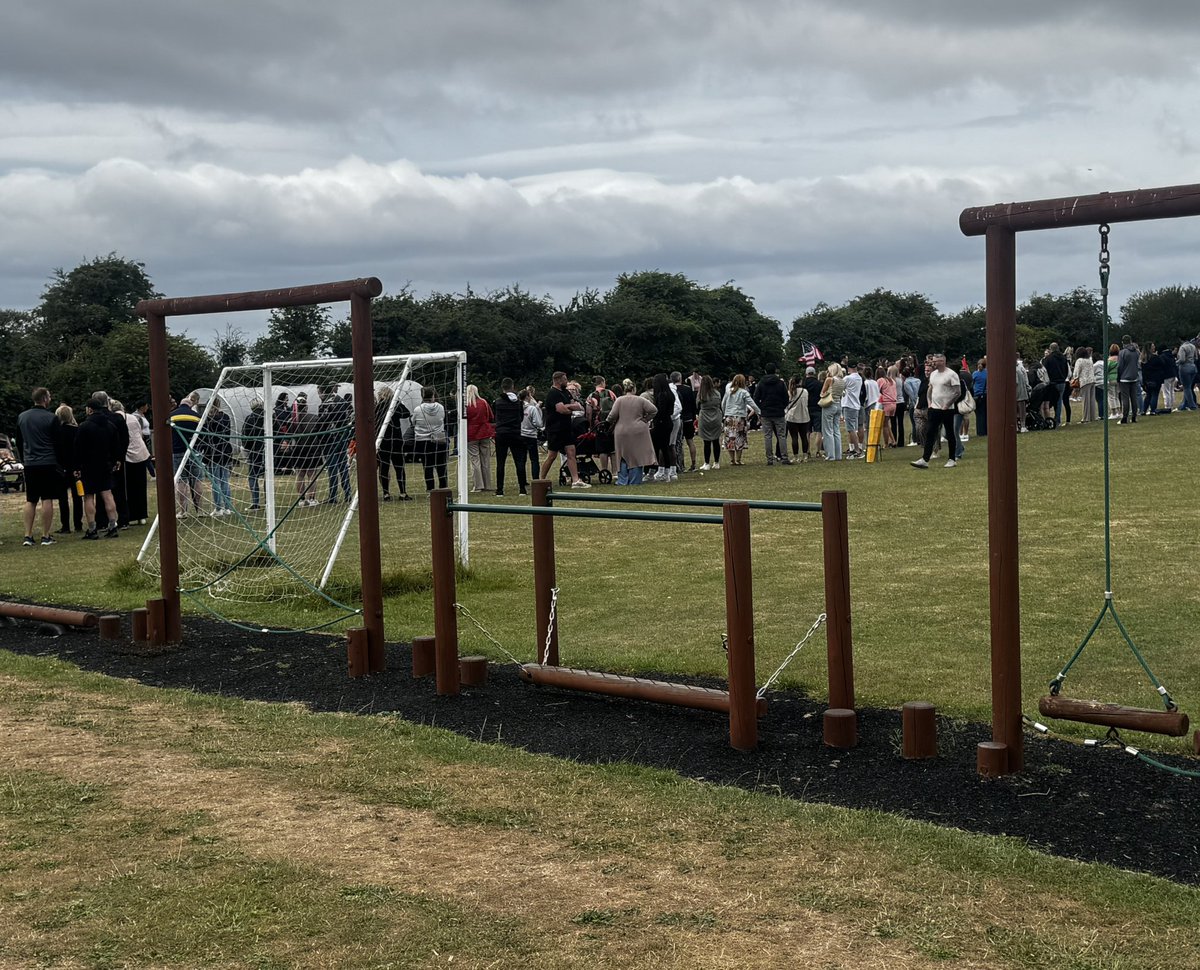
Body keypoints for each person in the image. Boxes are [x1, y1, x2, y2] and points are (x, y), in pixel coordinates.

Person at [16, 386, 61, 547]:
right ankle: (45, 535)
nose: (50, 399)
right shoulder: (51, 418)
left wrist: (24, 458)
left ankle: (27, 535)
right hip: (48, 462)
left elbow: (19, 441)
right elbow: (57, 442)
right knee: (47, 498)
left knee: (31, 499)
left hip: (30, 462)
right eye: (49, 396)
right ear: (44, 399)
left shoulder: (22, 417)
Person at [74, 396, 120, 539]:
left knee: (88, 497)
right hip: (105, 465)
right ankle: (113, 525)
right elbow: (116, 446)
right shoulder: (110, 425)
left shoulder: (84, 427)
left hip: (88, 466)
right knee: (107, 494)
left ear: (90, 409)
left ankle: (92, 528)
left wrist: (76, 466)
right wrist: (115, 460)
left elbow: (77, 448)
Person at [539, 371, 590, 488]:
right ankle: (541, 480)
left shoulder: (566, 392)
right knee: (552, 455)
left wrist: (568, 407)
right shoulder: (553, 393)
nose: (567, 381)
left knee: (571, 452)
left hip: (567, 428)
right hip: (555, 429)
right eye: (565, 379)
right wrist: (569, 408)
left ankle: (575, 480)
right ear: (558, 380)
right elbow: (561, 410)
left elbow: (577, 406)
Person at [911, 354, 961, 469]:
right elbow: (930, 388)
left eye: (935, 361)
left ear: (942, 361)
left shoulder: (951, 374)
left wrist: (947, 404)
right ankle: (925, 459)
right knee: (930, 433)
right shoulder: (933, 374)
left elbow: (957, 392)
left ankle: (952, 459)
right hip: (934, 408)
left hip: (947, 409)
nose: (933, 363)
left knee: (950, 433)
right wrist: (929, 403)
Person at [609, 382, 657, 485]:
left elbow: (612, 415)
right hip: (638, 430)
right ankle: (635, 479)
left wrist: (609, 423)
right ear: (634, 389)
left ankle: (622, 480)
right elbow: (654, 410)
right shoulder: (641, 400)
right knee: (637, 456)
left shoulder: (619, 400)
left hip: (621, 431)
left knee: (621, 456)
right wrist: (645, 419)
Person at [170, 391, 204, 516]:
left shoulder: (171, 416)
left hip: (177, 451)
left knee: (181, 481)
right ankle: (199, 510)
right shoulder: (196, 416)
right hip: (194, 451)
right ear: (190, 405)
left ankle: (183, 511)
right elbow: (202, 435)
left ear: (180, 405)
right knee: (197, 480)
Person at [375, 387, 411, 502]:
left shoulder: (378, 407)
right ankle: (403, 492)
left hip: (383, 440)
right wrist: (398, 402)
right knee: (399, 467)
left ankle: (386, 493)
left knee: (384, 467)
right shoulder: (395, 405)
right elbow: (406, 413)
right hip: (396, 439)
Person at [118, 399, 151, 524]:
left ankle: (132, 515)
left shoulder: (120, 419)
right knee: (140, 486)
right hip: (140, 452)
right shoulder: (133, 418)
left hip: (129, 454)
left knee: (130, 487)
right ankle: (141, 515)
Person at [492, 378, 527, 497]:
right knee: (519, 461)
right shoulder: (518, 403)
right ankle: (522, 488)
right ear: (513, 387)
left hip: (501, 433)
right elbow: (521, 418)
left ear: (502, 387)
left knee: (500, 462)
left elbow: (495, 417)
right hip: (515, 433)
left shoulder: (497, 402)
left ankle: (499, 490)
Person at [319, 387, 354, 504]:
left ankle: (333, 496)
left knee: (333, 469)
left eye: (319, 392)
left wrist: (317, 434)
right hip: (341, 438)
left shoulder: (326, 405)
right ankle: (347, 494)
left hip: (331, 440)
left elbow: (323, 422)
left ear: (323, 392)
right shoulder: (343, 402)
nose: (319, 395)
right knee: (342, 467)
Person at [412, 385, 450, 491]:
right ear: (433, 395)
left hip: (423, 440)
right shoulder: (441, 407)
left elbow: (413, 422)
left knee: (427, 466)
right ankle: (443, 486)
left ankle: (430, 488)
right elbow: (443, 418)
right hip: (439, 439)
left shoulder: (417, 409)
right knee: (441, 465)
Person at [53, 404, 83, 533]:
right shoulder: (77, 430)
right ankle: (78, 523)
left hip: (61, 468)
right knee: (77, 497)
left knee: (62, 498)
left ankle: (65, 525)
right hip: (75, 466)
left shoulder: (57, 432)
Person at [754, 363, 790, 465]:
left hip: (766, 413)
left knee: (767, 436)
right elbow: (786, 398)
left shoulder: (761, 383)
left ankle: (769, 459)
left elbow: (756, 398)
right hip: (778, 412)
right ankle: (784, 457)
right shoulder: (780, 383)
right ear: (775, 371)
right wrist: (782, 406)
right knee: (781, 436)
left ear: (765, 371)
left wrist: (761, 408)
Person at [720, 374, 759, 466]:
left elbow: (723, 403)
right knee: (740, 437)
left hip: (729, 416)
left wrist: (725, 412)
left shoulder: (728, 391)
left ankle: (732, 459)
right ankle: (738, 459)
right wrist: (759, 412)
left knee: (730, 437)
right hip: (739, 417)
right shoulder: (744, 392)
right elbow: (752, 404)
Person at [464, 384, 495, 493]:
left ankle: (478, 485)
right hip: (484, 433)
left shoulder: (466, 405)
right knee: (485, 459)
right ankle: (487, 484)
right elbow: (491, 417)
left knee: (474, 460)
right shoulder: (484, 403)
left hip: (471, 434)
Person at [586, 377, 617, 475]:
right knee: (613, 450)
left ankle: (604, 470)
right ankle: (615, 472)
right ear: (603, 382)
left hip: (598, 425)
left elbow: (588, 413)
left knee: (603, 450)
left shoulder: (591, 396)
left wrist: (590, 426)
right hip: (611, 424)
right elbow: (616, 407)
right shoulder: (611, 393)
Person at [242, 399, 266, 510]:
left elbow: (244, 436)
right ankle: (268, 501)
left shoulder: (249, 419)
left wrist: (248, 447)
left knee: (253, 477)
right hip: (268, 451)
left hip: (254, 452)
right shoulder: (269, 417)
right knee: (267, 476)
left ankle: (255, 503)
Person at [818, 363, 845, 461]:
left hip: (829, 405)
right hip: (838, 405)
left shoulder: (829, 379)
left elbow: (822, 393)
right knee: (836, 431)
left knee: (827, 431)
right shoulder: (842, 380)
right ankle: (838, 455)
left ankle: (830, 455)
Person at [696, 375, 723, 471]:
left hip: (705, 417)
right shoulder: (717, 393)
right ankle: (716, 462)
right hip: (716, 417)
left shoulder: (701, 394)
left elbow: (697, 405)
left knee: (706, 441)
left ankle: (707, 463)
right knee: (716, 441)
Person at [672, 372, 697, 472]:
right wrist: (693, 415)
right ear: (680, 378)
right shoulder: (687, 389)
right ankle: (693, 463)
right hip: (688, 418)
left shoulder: (672, 390)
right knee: (690, 440)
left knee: (678, 442)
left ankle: (679, 464)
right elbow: (693, 403)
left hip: (678, 417)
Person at [840, 362, 864, 459]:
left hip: (848, 405)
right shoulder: (859, 378)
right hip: (855, 405)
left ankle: (857, 450)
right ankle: (855, 448)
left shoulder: (848, 378)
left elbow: (840, 387)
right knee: (854, 428)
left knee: (851, 429)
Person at [1043, 342, 1069, 427]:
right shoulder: (1063, 358)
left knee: (1048, 401)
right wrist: (1063, 377)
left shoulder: (1048, 359)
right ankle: (1057, 420)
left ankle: (1047, 418)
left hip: (1052, 382)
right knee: (1059, 401)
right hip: (1061, 382)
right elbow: (1066, 370)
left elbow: (1045, 371)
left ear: (1050, 349)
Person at [784, 375, 810, 461]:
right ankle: (805, 455)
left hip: (792, 417)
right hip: (804, 416)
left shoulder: (790, 392)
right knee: (804, 437)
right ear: (800, 382)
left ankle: (796, 456)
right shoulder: (805, 391)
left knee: (794, 437)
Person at [1118, 335, 1141, 424]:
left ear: (1123, 342)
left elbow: (1120, 366)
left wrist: (1119, 377)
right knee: (1134, 398)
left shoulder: (1122, 352)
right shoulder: (1136, 352)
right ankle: (1134, 416)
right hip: (1134, 377)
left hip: (1124, 378)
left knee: (1125, 399)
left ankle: (1124, 417)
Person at [1073, 348, 1097, 423]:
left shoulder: (1079, 360)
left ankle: (1086, 418)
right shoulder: (1090, 359)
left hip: (1085, 381)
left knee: (1086, 400)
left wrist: (1074, 378)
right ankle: (1092, 417)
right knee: (1092, 400)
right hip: (1092, 380)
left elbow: (1076, 372)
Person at [1176, 337, 1198, 411]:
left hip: (1185, 368)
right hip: (1193, 367)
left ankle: (1192, 405)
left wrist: (1176, 362)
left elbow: (1182, 359)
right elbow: (1196, 357)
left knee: (1186, 388)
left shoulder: (1182, 347)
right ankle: (1184, 405)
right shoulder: (1193, 346)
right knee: (1188, 387)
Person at [972, 358, 988, 437]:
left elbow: (972, 383)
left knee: (979, 414)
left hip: (977, 395)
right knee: (985, 413)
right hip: (985, 394)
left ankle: (980, 431)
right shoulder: (987, 373)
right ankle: (985, 430)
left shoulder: (975, 374)